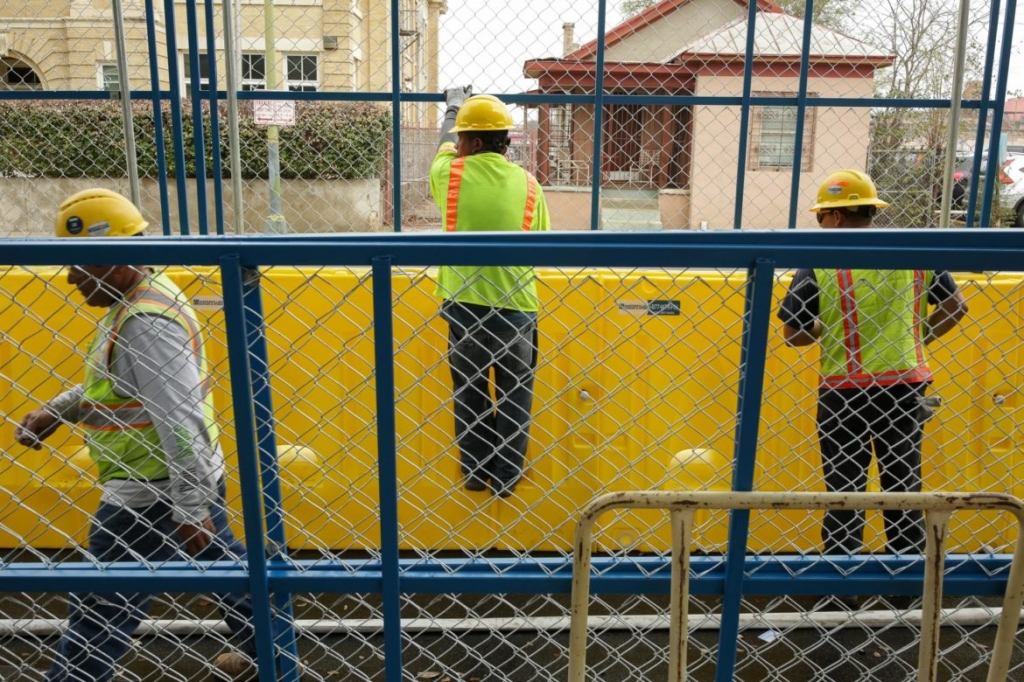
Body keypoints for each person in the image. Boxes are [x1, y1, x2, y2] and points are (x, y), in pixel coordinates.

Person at [15, 189, 277, 681]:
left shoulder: (145, 323)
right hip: (171, 483)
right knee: (231, 578)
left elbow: (179, 417)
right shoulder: (141, 297)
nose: (69, 278)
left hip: (149, 491)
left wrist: (190, 504)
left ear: (113, 261)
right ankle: (277, 655)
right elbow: (114, 385)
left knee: (100, 608)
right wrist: (56, 411)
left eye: (78, 265)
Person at [777, 170, 968, 555]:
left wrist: (826, 327)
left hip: (843, 392)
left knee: (844, 491)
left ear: (837, 217)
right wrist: (920, 336)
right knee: (903, 487)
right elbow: (955, 306)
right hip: (905, 387)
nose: (820, 225)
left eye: (821, 217)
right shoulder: (913, 252)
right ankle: (907, 588)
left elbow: (793, 333)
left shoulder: (819, 262)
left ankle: (840, 590)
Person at [430, 88, 551, 498]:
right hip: (517, 311)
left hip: (464, 311)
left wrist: (452, 107)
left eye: (463, 137)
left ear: (475, 143)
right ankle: (507, 478)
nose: (457, 143)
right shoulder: (530, 185)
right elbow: (542, 243)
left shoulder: (451, 176)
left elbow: (444, 144)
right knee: (517, 394)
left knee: (469, 392)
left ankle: (476, 472)